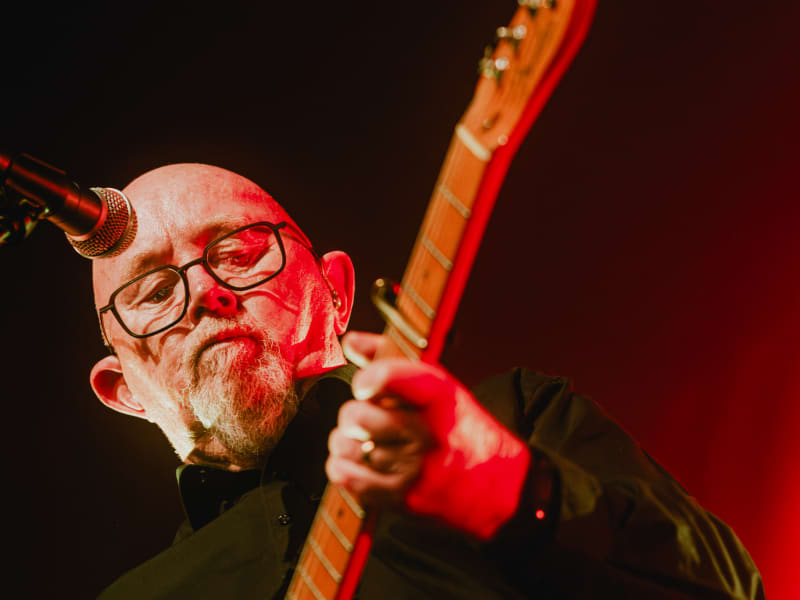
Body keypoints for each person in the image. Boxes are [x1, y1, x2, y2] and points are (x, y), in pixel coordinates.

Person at [89, 163, 763, 599]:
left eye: (237, 252)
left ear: (338, 292)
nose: (206, 290)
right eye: (151, 292)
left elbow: (726, 589)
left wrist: (499, 485)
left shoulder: (516, 418)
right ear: (124, 391)